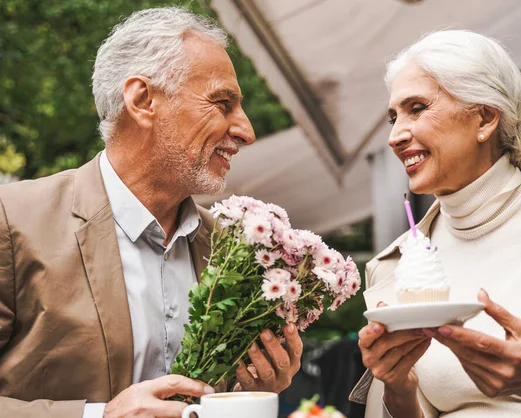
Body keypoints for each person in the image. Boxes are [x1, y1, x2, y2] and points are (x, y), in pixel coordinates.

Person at [0, 7, 303, 418]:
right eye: (222, 103)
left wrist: (251, 386)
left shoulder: (230, 248)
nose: (246, 131)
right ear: (143, 100)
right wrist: (98, 416)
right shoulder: (12, 221)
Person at [350, 30, 521, 417]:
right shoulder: (391, 267)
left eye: (417, 108)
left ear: (484, 118)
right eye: (393, 117)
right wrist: (398, 392)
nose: (395, 136)